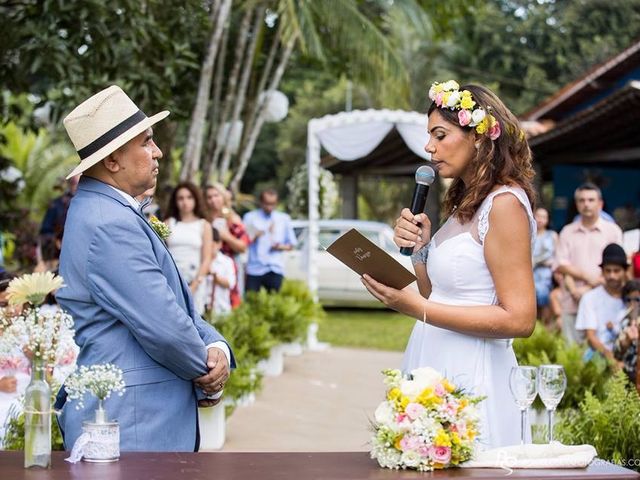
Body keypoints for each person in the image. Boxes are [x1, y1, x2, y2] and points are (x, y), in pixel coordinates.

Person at [55, 85, 234, 452]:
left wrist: (217, 345)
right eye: (147, 142)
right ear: (112, 161)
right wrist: (208, 369)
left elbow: (171, 302)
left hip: (138, 419)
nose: (158, 152)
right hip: (134, 424)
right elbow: (164, 326)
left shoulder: (109, 211)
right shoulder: (108, 223)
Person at [363, 80, 537, 449]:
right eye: (430, 137)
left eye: (440, 135)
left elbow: (520, 320)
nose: (429, 147)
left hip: (472, 371)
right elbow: (438, 293)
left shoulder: (504, 205)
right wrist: (423, 251)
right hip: (431, 358)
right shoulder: (464, 202)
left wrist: (416, 308)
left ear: (478, 137)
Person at [554, 183, 623, 344]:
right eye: (582, 200)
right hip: (572, 303)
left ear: (600, 204)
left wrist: (587, 288)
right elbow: (561, 266)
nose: (586, 204)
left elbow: (617, 268)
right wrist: (577, 290)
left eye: (591, 200)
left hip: (603, 304)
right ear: (577, 204)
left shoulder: (612, 231)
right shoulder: (567, 232)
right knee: (572, 357)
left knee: (602, 356)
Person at [165, 182, 212, 315]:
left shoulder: (204, 225)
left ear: (196, 199)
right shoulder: (168, 223)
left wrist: (195, 286)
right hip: (171, 281)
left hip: (195, 281)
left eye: (189, 197)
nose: (185, 202)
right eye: (180, 198)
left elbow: (206, 259)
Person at [575, 243, 628, 362]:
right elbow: (591, 337)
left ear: (625, 271)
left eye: (616, 271)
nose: (612, 276)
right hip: (597, 359)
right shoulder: (590, 298)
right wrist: (612, 360)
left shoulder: (632, 299)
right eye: (608, 271)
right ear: (602, 271)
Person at [243, 188, 296, 293]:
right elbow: (243, 242)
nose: (269, 207)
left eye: (273, 204)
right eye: (267, 203)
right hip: (254, 268)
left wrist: (279, 246)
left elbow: (291, 245)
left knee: (273, 305)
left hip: (274, 268)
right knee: (252, 303)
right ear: (261, 202)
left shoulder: (283, 219)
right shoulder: (250, 218)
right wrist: (257, 235)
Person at [205, 183, 249, 307]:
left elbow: (243, 247)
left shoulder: (232, 218)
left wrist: (226, 236)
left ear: (223, 197)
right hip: (208, 264)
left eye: (216, 195)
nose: (213, 200)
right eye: (209, 197)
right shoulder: (204, 218)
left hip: (228, 266)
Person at [533, 207, 558, 325]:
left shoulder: (552, 235)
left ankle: (544, 328)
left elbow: (557, 256)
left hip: (545, 274)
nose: (540, 220)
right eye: (538, 216)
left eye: (544, 217)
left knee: (544, 299)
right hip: (530, 272)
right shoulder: (528, 234)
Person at [613, 280, 640, 388]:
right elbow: (617, 353)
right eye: (628, 300)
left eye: (637, 300)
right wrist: (626, 341)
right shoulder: (624, 322)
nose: (633, 304)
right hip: (629, 375)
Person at [207, 227, 236, 315]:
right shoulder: (200, 260)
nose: (210, 249)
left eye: (212, 245)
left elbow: (230, 283)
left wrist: (214, 276)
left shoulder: (226, 261)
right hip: (202, 309)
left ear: (219, 244)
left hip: (221, 309)